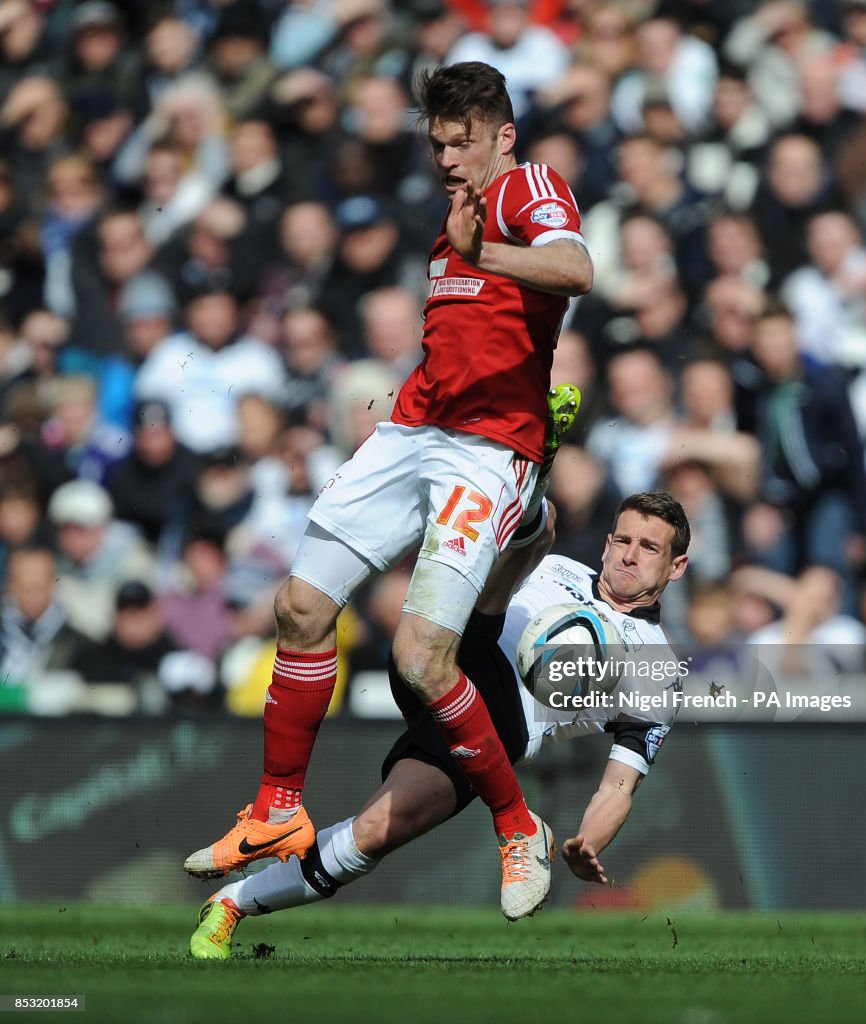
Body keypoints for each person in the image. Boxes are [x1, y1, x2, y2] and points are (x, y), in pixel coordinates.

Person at [183, 61, 593, 921]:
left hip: (486, 454)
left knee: (419, 656)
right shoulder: (454, 223)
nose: (448, 158)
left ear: (503, 137)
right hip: (412, 430)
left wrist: (491, 252)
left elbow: (574, 269)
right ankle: (277, 811)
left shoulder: (527, 188)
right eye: (437, 143)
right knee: (298, 606)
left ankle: (519, 828)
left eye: (463, 142)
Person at [189, 491, 690, 959]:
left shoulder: (657, 669)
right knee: (534, 535)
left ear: (676, 566)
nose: (629, 554)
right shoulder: (556, 568)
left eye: (649, 547)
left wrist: (589, 842)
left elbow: (619, 785)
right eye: (623, 540)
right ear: (607, 544)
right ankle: (536, 468)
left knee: (372, 834)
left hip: (494, 729)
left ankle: (231, 904)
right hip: (450, 656)